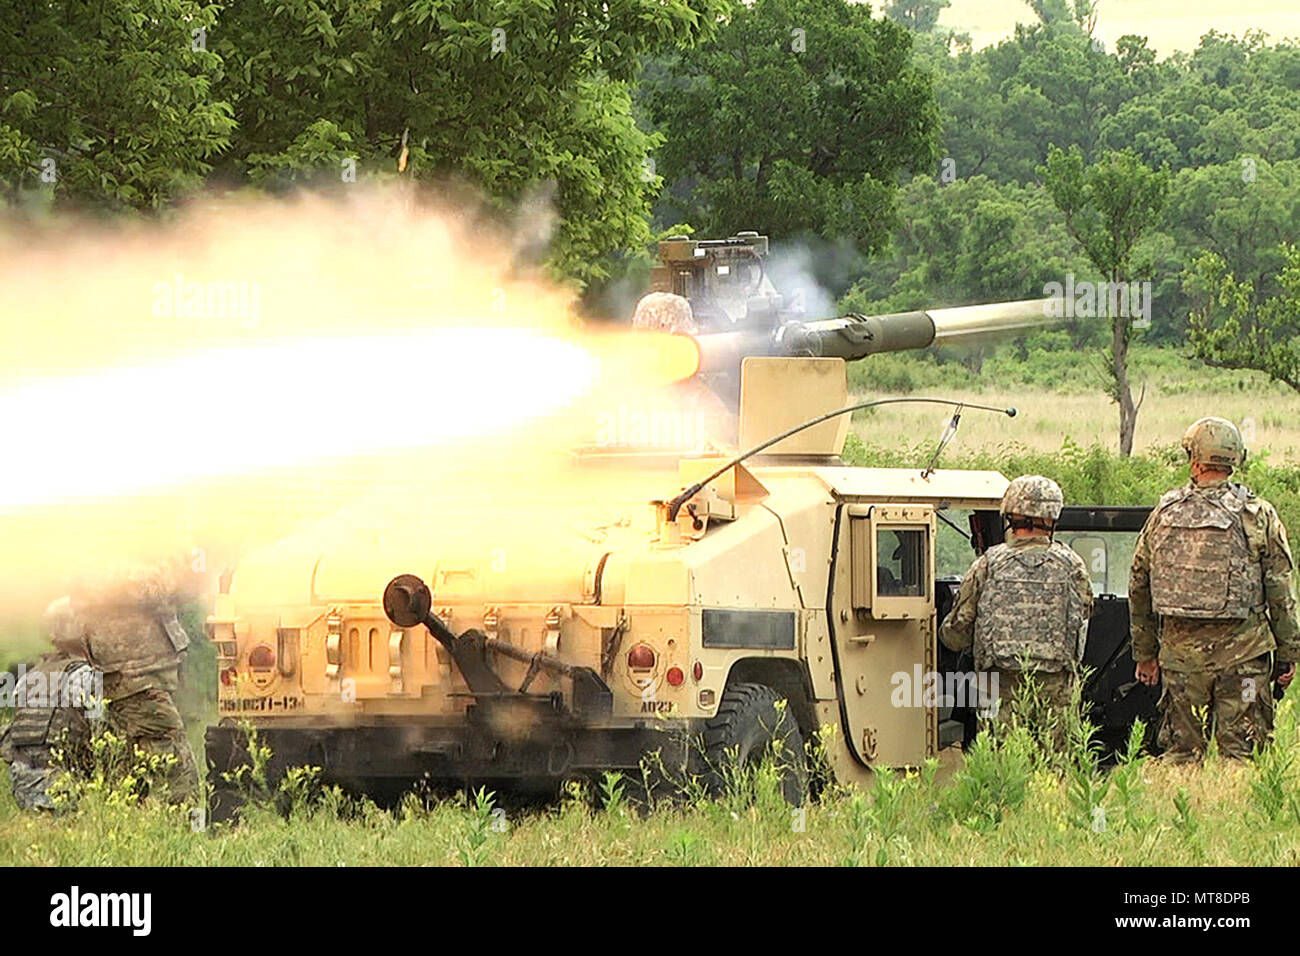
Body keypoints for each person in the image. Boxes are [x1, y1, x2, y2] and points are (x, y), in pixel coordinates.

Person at [1130, 417, 1300, 762]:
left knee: (1181, 755)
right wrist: (1288, 653)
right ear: (1235, 458)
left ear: (1194, 458)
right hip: (1245, 661)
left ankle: (1182, 813)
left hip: (1180, 663)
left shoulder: (1164, 513)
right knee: (1243, 753)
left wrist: (1145, 653)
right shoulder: (1257, 514)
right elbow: (1280, 590)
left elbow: (1139, 583)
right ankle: (1233, 811)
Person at [940, 475, 1093, 735]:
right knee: (1054, 767)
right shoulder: (1073, 566)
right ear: (1051, 518)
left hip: (998, 687)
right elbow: (1085, 615)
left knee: (1001, 766)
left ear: (1010, 515)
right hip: (1056, 689)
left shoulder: (988, 564)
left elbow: (957, 633)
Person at [72, 562, 200, 802]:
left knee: (129, 766)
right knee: (175, 766)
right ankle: (188, 831)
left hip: (136, 672)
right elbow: (158, 588)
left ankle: (131, 830)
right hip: (136, 672)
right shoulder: (114, 554)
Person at [0, 597, 101, 811]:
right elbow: (102, 733)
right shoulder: (86, 675)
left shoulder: (28, 677)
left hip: (23, 787)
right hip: (64, 787)